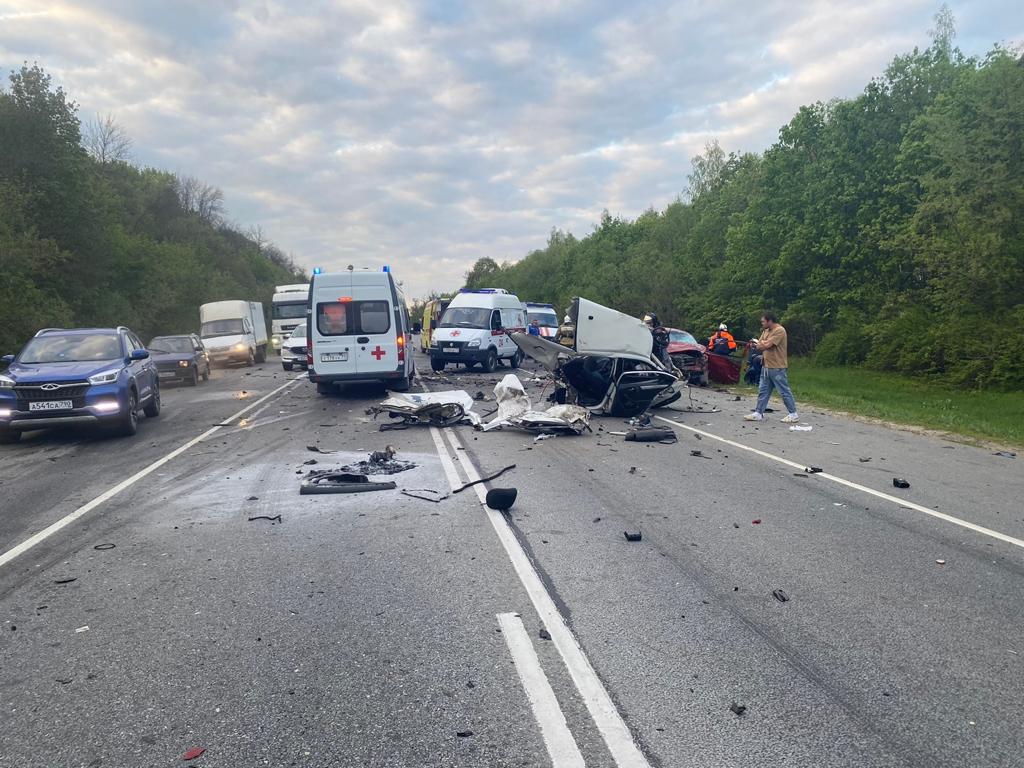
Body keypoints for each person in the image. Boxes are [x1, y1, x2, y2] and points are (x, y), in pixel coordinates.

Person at [744, 312, 799, 423]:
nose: (762, 324)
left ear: (770, 321)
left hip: (777, 366)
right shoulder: (766, 331)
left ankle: (793, 414)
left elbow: (767, 345)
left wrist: (762, 343)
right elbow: (759, 346)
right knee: (763, 391)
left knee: (784, 391)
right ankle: (758, 413)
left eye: (763, 321)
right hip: (766, 365)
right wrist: (762, 343)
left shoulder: (779, 330)